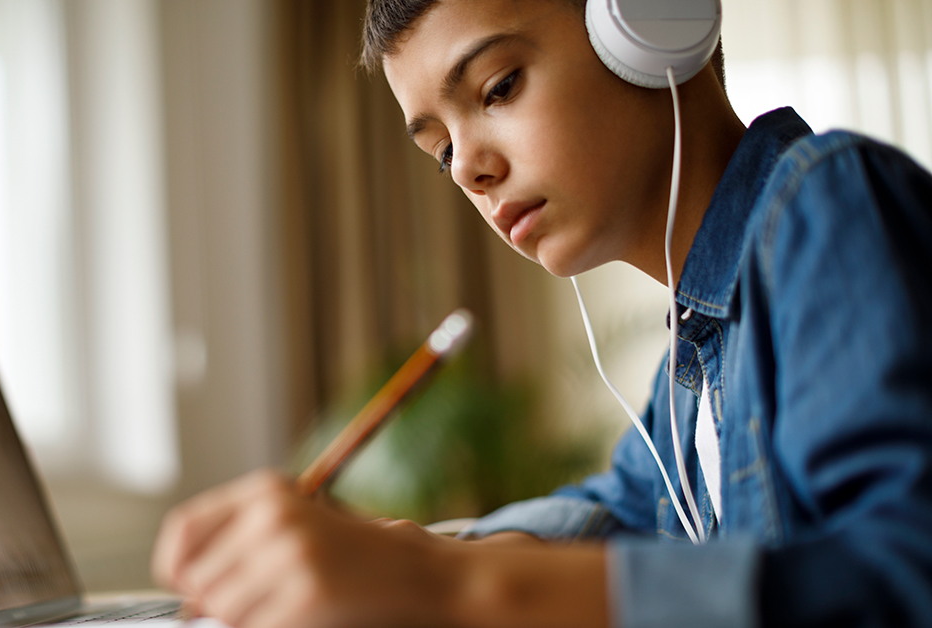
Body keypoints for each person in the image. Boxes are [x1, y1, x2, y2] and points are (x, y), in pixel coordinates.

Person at [151, 0, 932, 626]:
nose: (472, 171)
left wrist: (448, 590)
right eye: (441, 150)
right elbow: (609, 508)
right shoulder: (697, 358)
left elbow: (906, 574)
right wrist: (419, 558)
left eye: (497, 89)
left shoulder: (826, 206)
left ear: (652, 22)